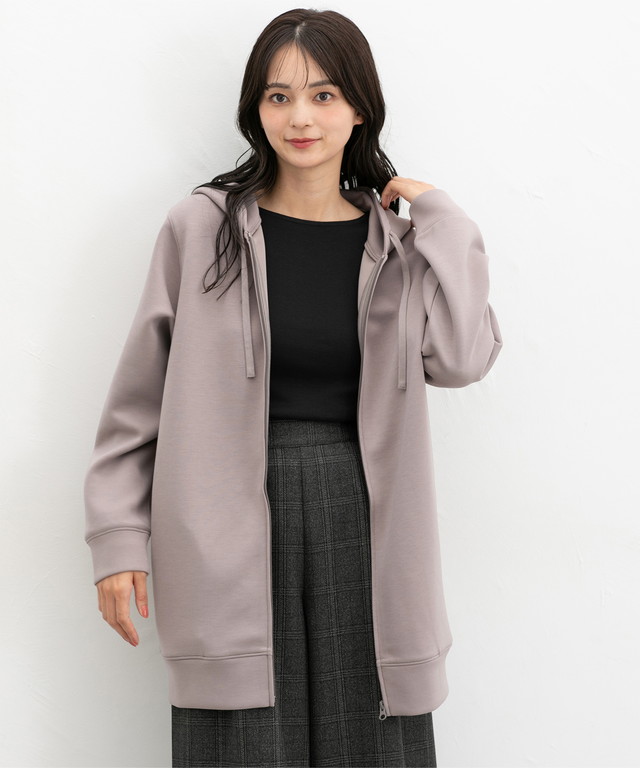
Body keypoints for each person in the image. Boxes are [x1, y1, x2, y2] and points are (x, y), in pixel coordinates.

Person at [83, 7, 503, 767]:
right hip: (221, 517)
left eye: (323, 95)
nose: (300, 118)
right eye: (278, 97)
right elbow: (137, 401)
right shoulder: (201, 228)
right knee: (239, 740)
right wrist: (117, 539)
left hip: (366, 512)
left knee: (372, 739)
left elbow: (463, 358)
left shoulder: (399, 246)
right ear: (256, 110)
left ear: (360, 108)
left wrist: (443, 219)